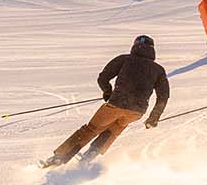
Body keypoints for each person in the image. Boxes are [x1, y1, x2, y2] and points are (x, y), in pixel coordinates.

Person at [41, 35, 171, 168]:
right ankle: (90, 155)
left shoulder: (124, 59)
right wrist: (153, 118)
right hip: (136, 112)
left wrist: (108, 92)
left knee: (90, 129)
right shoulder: (158, 70)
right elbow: (163, 96)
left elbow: (103, 78)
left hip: (116, 104)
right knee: (114, 131)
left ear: (134, 46)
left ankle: (60, 157)